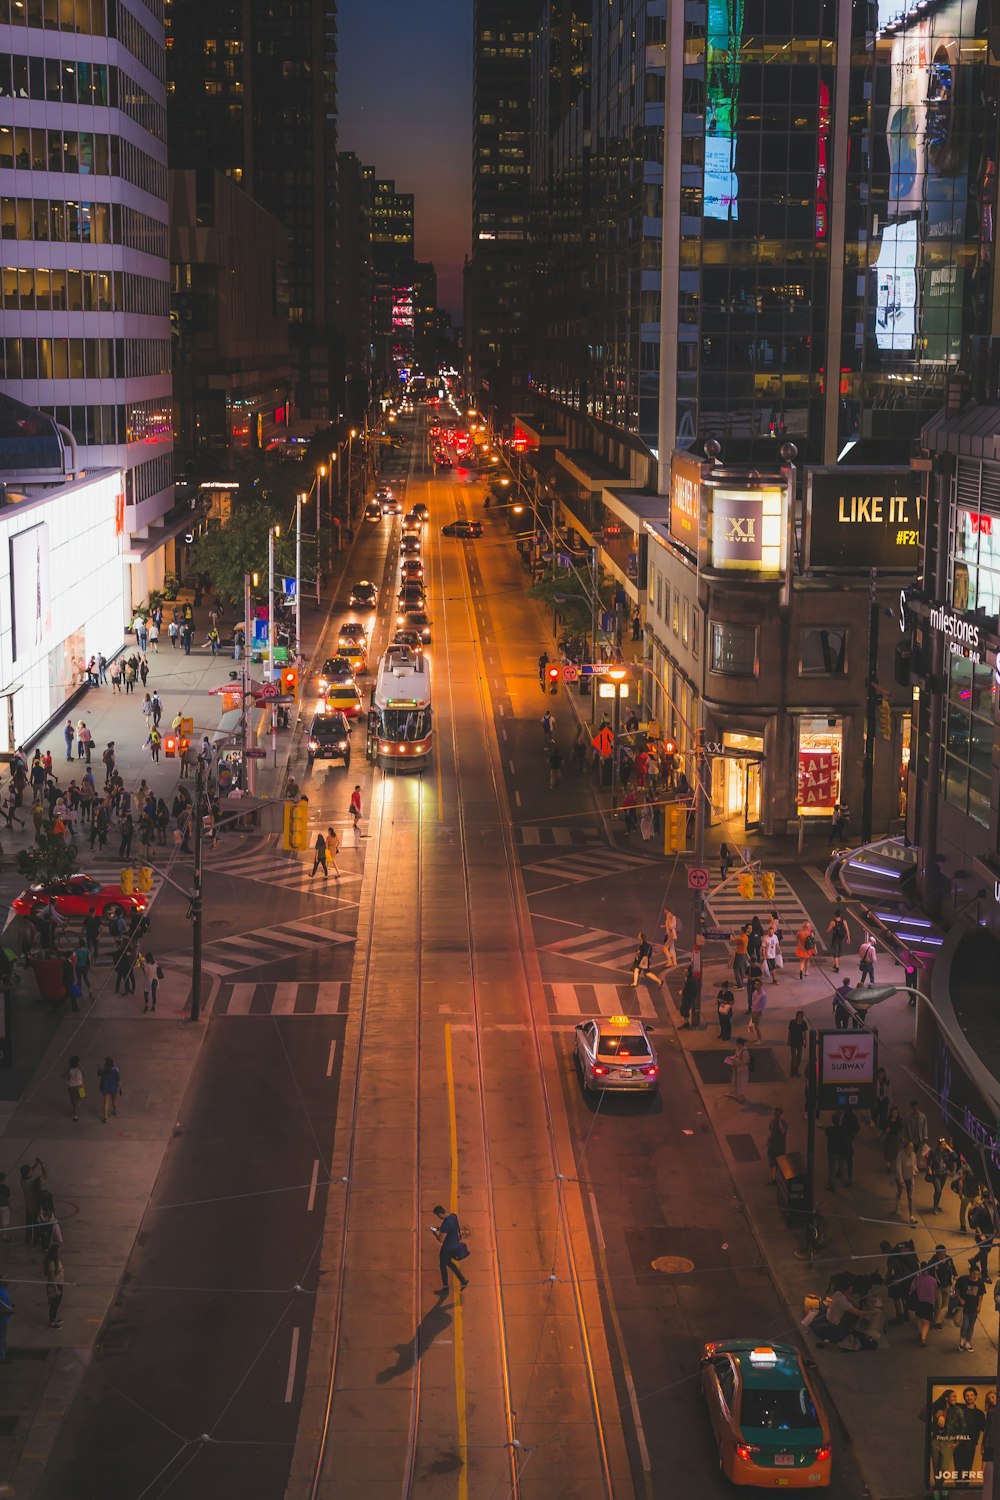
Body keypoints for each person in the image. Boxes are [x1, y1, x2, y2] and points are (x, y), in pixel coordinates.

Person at [430, 1204, 469, 1294]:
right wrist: (440, 1228)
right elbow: (453, 1228)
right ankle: (462, 1280)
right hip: (455, 1244)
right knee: (449, 1263)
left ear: (439, 1214)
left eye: (437, 1215)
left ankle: (445, 1288)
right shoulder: (453, 1216)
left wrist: (434, 1233)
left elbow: (441, 1239)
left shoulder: (445, 1224)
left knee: (443, 1265)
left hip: (447, 1248)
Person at [954, 1264, 986, 1350]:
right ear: (970, 1273)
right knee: (965, 1325)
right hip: (964, 1308)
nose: (975, 1276)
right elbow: (956, 1289)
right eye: (974, 1273)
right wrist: (960, 1299)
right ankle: (962, 1339)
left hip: (974, 1309)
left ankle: (968, 1342)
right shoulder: (963, 1280)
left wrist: (979, 1306)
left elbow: (980, 1295)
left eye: (977, 1274)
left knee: (971, 1326)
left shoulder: (980, 1283)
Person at [927, 1137, 959, 1215]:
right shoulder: (934, 1152)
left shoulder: (947, 1152)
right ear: (939, 1145)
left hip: (944, 1174)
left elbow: (955, 1158)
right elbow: (929, 1159)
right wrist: (929, 1168)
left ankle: (937, 1204)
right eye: (943, 1144)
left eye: (945, 1144)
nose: (944, 1146)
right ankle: (935, 1207)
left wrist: (949, 1149)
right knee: (938, 1190)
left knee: (940, 1190)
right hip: (936, 1174)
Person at [911, 1261, 939, 1346]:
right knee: (926, 1322)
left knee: (919, 1319)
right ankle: (923, 1339)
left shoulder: (917, 1279)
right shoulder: (933, 1280)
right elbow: (935, 1293)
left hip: (919, 1303)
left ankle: (921, 1334)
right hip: (929, 1303)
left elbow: (911, 1290)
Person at [969, 1192, 995, 1280]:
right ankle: (984, 1274)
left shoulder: (995, 1207)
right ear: (986, 1198)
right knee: (984, 1253)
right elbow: (974, 1224)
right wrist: (981, 1234)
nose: (994, 1200)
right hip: (982, 1234)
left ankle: (973, 1260)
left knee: (987, 1250)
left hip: (990, 1233)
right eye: (992, 1198)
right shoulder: (981, 1209)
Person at [894, 1138, 919, 1225]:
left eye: (912, 1147)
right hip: (901, 1178)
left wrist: (915, 1170)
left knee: (910, 1197)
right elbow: (898, 1169)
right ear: (906, 1148)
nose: (912, 1148)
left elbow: (914, 1165)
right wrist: (901, 1182)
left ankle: (911, 1216)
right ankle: (897, 1207)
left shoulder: (913, 1154)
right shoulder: (900, 1155)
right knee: (900, 1192)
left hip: (909, 1178)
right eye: (910, 1147)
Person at [825, 1111, 851, 1191]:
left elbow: (827, 1135)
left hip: (833, 1151)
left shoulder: (829, 1129)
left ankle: (831, 1184)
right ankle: (846, 1181)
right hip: (841, 1150)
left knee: (832, 1168)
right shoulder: (843, 1129)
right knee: (843, 1166)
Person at [903, 1098, 930, 1168]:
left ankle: (915, 1165)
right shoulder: (907, 1117)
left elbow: (925, 1127)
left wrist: (925, 1136)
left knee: (917, 1152)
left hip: (919, 1138)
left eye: (916, 1107)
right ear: (911, 1108)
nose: (915, 1109)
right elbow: (905, 1128)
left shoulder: (923, 1116)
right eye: (913, 1107)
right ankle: (912, 1165)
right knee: (911, 1152)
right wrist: (905, 1138)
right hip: (911, 1138)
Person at [766, 1106, 788, 1184]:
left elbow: (783, 1132)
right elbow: (771, 1131)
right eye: (775, 1114)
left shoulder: (784, 1123)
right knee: (772, 1163)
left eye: (778, 1114)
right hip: (771, 1146)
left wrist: (779, 1122)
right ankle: (773, 1179)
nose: (776, 1116)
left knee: (780, 1164)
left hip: (780, 1147)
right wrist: (768, 1141)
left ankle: (780, 1179)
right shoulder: (772, 1121)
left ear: (782, 1115)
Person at [44, 1243, 64, 1329]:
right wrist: (56, 1288)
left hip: (60, 1283)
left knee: (57, 1302)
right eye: (58, 1251)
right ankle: (51, 1321)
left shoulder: (56, 1260)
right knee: (54, 1303)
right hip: (54, 1285)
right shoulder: (52, 1263)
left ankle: (54, 1318)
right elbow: (51, 1276)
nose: (60, 1253)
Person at [827, 906, 851, 973]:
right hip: (842, 938)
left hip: (835, 938)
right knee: (839, 951)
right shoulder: (844, 921)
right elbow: (847, 930)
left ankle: (837, 966)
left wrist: (827, 934)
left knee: (835, 951)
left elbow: (828, 930)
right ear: (841, 915)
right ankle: (836, 964)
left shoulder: (833, 922)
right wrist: (848, 938)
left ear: (835, 915)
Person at [726, 1037, 751, 1102]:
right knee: (735, 1080)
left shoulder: (745, 1052)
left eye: (737, 1043)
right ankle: (734, 1093)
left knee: (741, 1082)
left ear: (740, 1044)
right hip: (737, 1068)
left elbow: (745, 1062)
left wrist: (735, 1060)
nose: (736, 1044)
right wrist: (731, 1058)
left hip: (742, 1070)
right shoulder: (738, 1049)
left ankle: (740, 1096)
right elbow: (736, 1056)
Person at [97, 1055, 121, 1121]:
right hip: (114, 1087)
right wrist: (119, 1087)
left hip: (105, 1087)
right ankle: (114, 1110)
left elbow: (99, 1073)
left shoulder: (104, 1070)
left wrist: (99, 1066)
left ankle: (105, 1117)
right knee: (114, 1100)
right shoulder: (116, 1069)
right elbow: (118, 1079)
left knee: (106, 1102)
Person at [787, 1010, 808, 1077]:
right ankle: (792, 1071)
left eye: (801, 1016)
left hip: (800, 1042)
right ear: (796, 1016)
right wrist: (788, 1040)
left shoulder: (803, 1023)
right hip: (793, 1042)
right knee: (794, 1057)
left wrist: (805, 1042)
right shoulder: (792, 1022)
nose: (800, 1017)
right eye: (799, 1016)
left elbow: (804, 1034)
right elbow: (789, 1032)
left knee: (799, 1057)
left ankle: (796, 1071)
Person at [64, 1054, 84, 1122]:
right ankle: (76, 1108)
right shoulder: (80, 1069)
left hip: (71, 1086)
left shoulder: (69, 1069)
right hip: (79, 1086)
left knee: (73, 1099)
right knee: (81, 1097)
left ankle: (75, 1112)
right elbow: (83, 1076)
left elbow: (63, 1076)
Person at [0, 1279, 14, 1359]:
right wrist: (10, 1310)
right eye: (5, 1279)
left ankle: (4, 1351)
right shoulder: (1, 1293)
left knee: (3, 1336)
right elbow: (3, 1308)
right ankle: (1, 1356)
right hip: (2, 1319)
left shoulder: (4, 1290)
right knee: (1, 1337)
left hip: (5, 1318)